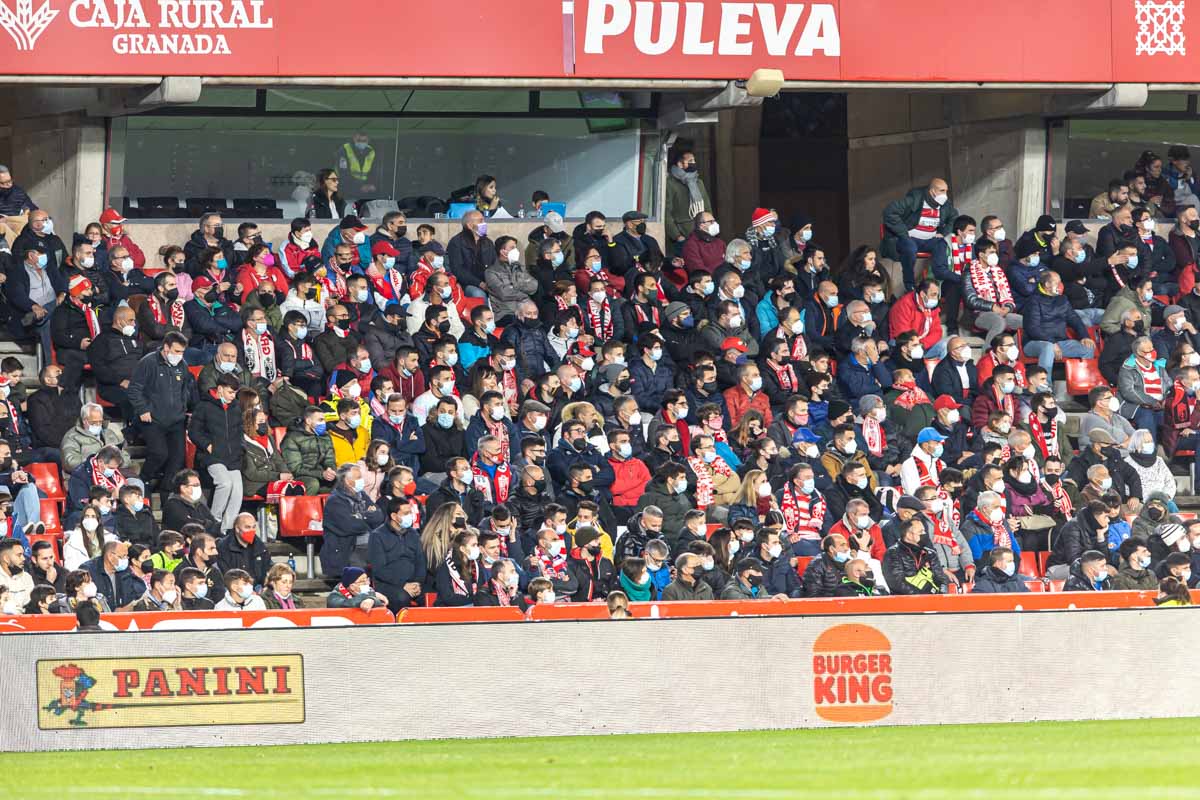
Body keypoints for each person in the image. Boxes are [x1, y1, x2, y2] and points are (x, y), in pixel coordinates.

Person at [127, 332, 197, 505]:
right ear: (166, 348)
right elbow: (134, 389)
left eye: (182, 352)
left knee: (178, 458)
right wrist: (143, 409)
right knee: (159, 453)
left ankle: (167, 493)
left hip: (176, 421)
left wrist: (185, 409)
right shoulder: (148, 363)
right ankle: (144, 480)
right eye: (177, 351)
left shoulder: (183, 365)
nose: (179, 355)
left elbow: (185, 390)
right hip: (153, 419)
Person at [881, 178, 957, 291]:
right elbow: (889, 211)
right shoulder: (915, 199)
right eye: (942, 191)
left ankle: (941, 275)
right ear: (932, 191)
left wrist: (943, 232)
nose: (945, 195)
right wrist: (903, 233)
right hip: (910, 239)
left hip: (930, 239)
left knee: (942, 244)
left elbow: (954, 216)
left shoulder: (945, 204)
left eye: (946, 191)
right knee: (909, 248)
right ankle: (910, 284)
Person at [1022, 270, 1095, 374]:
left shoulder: (1063, 299)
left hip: (1060, 342)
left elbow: (1074, 319)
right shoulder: (1033, 301)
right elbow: (1033, 329)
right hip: (1034, 343)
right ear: (1047, 285)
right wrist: (1051, 342)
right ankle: (1044, 386)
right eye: (1057, 282)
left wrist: (1085, 336)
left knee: (1087, 348)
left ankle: (1082, 382)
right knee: (1048, 348)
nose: (1060, 285)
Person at [882, 516, 949, 595]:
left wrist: (941, 594)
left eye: (924, 531)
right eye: (921, 532)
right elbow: (896, 583)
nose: (924, 534)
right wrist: (920, 596)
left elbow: (941, 579)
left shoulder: (930, 553)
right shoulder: (893, 553)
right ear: (909, 535)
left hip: (931, 600)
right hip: (904, 602)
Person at [666, 147, 711, 256]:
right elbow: (667, 212)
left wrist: (710, 226)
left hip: (702, 234)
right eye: (690, 161)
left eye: (694, 160)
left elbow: (707, 207)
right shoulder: (670, 184)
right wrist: (677, 235)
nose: (693, 163)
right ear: (680, 164)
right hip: (683, 236)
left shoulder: (698, 182)